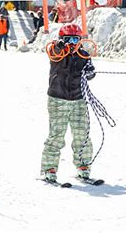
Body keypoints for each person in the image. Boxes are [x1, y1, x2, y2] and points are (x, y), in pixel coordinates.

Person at [40, 23, 96, 182]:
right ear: (62, 40)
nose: (72, 43)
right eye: (68, 39)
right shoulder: (57, 51)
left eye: (75, 39)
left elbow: (90, 72)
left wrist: (91, 72)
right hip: (58, 100)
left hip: (78, 99)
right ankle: (49, 168)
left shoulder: (84, 54)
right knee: (57, 135)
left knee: (82, 134)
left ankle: (83, 165)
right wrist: (59, 46)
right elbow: (53, 52)